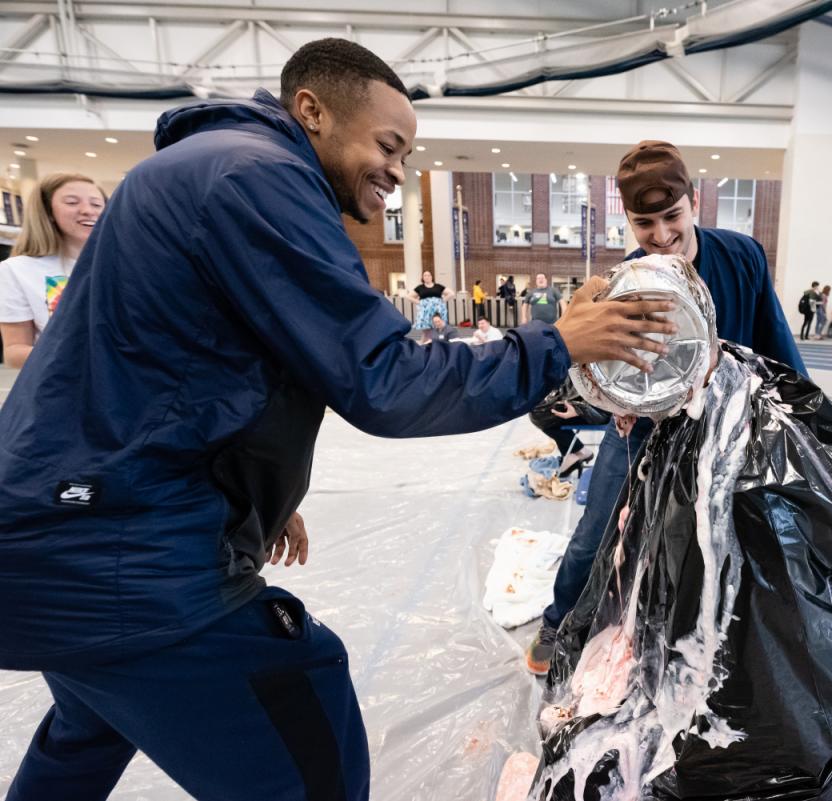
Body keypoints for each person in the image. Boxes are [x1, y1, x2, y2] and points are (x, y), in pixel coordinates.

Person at [0, 38, 678, 801]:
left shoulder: (212, 170)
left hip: (59, 539)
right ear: (312, 112)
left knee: (87, 731)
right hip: (123, 556)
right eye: (388, 145)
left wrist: (257, 495)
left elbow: (195, 365)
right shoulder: (256, 178)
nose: (396, 169)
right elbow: (383, 378)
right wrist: (558, 344)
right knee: (309, 739)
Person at [525, 140, 806, 675]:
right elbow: (603, 372)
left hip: (726, 425)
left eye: (671, 216)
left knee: (726, 530)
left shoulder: (741, 257)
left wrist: (798, 417)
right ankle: (559, 621)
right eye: (643, 222)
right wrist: (612, 406)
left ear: (694, 201)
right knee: (599, 525)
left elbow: (776, 344)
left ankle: (722, 639)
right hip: (642, 427)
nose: (660, 236)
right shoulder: (628, 281)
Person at [0, 173, 106, 368]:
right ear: (48, 212)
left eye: (97, 204)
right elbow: (14, 352)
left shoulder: (121, 263)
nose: (87, 210)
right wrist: (80, 355)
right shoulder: (18, 270)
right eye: (72, 202)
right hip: (64, 389)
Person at [527, 382, 611, 479]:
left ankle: (577, 452)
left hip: (604, 408)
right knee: (540, 410)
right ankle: (574, 453)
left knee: (539, 415)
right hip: (600, 397)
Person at [408, 269, 453, 342]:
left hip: (437, 310)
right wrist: (419, 302)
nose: (427, 277)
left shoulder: (438, 286)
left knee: (439, 328)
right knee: (426, 331)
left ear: (432, 277)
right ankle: (423, 347)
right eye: (425, 275)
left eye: (428, 275)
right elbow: (409, 296)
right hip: (425, 311)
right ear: (422, 278)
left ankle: (440, 345)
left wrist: (442, 301)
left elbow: (451, 293)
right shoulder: (420, 287)